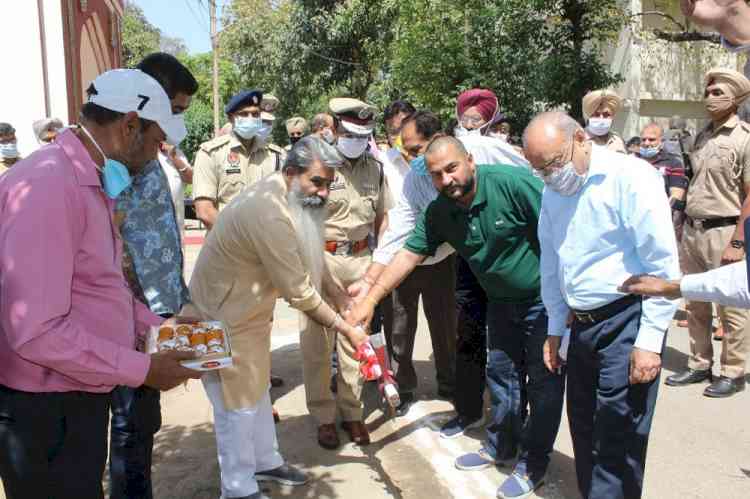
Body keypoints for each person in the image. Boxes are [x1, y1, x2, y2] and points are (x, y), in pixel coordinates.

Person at [0, 68, 201, 499]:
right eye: (153, 141)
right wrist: (143, 368)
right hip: (45, 408)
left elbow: (101, 288)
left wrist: (162, 330)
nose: (154, 155)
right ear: (129, 124)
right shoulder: (50, 185)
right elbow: (36, 331)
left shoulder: (86, 179)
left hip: (76, 392)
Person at [349, 136, 565, 499]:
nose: (447, 180)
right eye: (437, 175)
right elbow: (408, 255)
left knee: (543, 386)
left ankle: (534, 462)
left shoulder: (512, 184)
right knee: (502, 376)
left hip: (543, 304)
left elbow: (561, 233)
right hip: (499, 302)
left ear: (469, 160)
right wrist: (371, 298)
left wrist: (568, 304)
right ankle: (502, 446)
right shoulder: (440, 212)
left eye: (452, 168)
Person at [186, 136, 367, 499]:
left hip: (246, 316)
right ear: (290, 173)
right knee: (233, 407)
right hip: (217, 319)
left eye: (328, 184)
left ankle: (266, 461)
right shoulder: (269, 212)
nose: (324, 193)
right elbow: (298, 291)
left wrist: (341, 298)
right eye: (316, 182)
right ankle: (237, 489)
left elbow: (312, 258)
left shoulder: (289, 196)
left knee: (256, 394)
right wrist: (346, 327)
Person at [523, 111, 680, 499]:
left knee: (618, 438)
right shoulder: (553, 190)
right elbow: (552, 262)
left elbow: (662, 265)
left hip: (626, 320)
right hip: (583, 327)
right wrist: (556, 326)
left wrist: (649, 340)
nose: (551, 175)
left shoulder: (631, 177)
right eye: (540, 170)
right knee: (584, 430)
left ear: (580, 138)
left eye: (554, 163)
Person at [109, 53, 199, 499]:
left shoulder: (149, 150)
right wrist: (138, 315)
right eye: (176, 110)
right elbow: (110, 235)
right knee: (130, 421)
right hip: (132, 312)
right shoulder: (120, 156)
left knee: (143, 418)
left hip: (154, 307)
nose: (176, 122)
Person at [299, 97, 392, 450]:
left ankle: (352, 413)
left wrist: (376, 263)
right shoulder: (316, 166)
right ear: (335, 129)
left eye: (365, 134)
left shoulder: (375, 168)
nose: (359, 140)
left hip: (361, 262)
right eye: (353, 133)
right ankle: (324, 417)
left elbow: (384, 218)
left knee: (355, 342)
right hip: (319, 260)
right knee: (317, 345)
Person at [666, 68, 750, 398]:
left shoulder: (744, 138)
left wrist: (739, 240)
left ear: (737, 98)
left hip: (726, 230)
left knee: (730, 308)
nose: (710, 97)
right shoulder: (701, 136)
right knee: (696, 302)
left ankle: (733, 370)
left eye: (719, 92)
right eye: (709, 92)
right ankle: (700, 363)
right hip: (693, 229)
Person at [375, 103, 456, 416]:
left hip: (441, 258)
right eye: (395, 134)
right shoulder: (383, 163)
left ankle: (449, 382)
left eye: (406, 136)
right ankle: (403, 386)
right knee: (398, 326)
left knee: (446, 323)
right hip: (399, 258)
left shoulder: (441, 162)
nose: (403, 145)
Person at [192, 89, 284, 229]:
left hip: (266, 243)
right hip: (225, 244)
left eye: (255, 114)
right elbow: (205, 211)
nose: (250, 118)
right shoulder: (211, 153)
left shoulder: (275, 156)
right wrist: (240, 238)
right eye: (243, 114)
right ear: (231, 118)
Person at [637, 122, 688, 232]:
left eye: (651, 140)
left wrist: (662, 210)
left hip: (659, 220)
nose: (646, 143)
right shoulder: (631, 160)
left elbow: (677, 194)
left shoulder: (673, 163)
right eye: (643, 139)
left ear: (661, 141)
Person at [581, 89, 627, 153]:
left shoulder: (617, 140)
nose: (601, 118)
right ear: (589, 116)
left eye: (606, 114)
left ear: (612, 117)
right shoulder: (579, 139)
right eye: (597, 114)